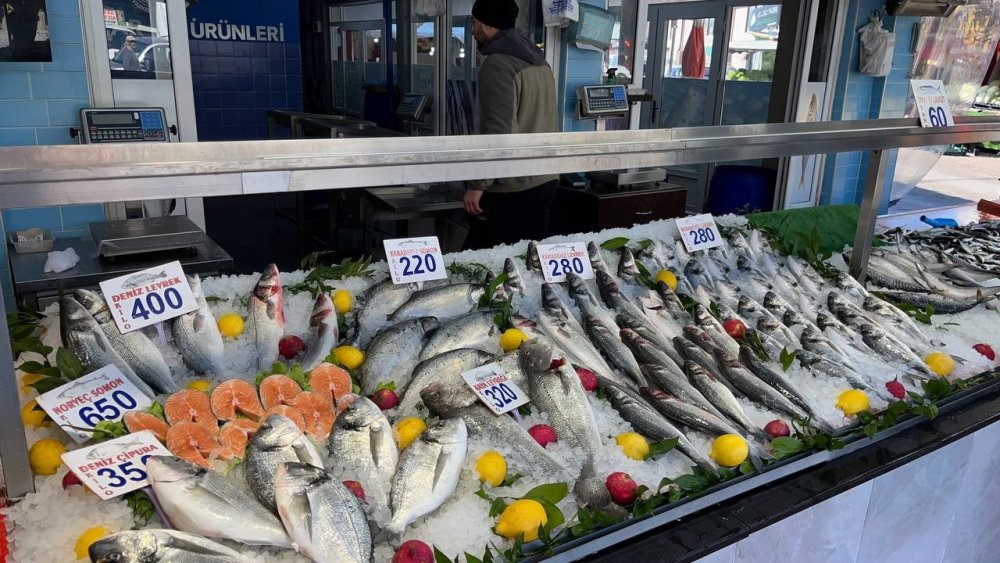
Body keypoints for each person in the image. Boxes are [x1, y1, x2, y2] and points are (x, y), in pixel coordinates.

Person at [462, 0, 558, 250]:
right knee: (529, 264)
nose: (472, 31)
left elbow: (499, 131)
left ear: (485, 25)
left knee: (481, 263)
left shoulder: (497, 64)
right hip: (545, 179)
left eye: (474, 23)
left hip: (513, 187)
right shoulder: (540, 62)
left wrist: (477, 185)